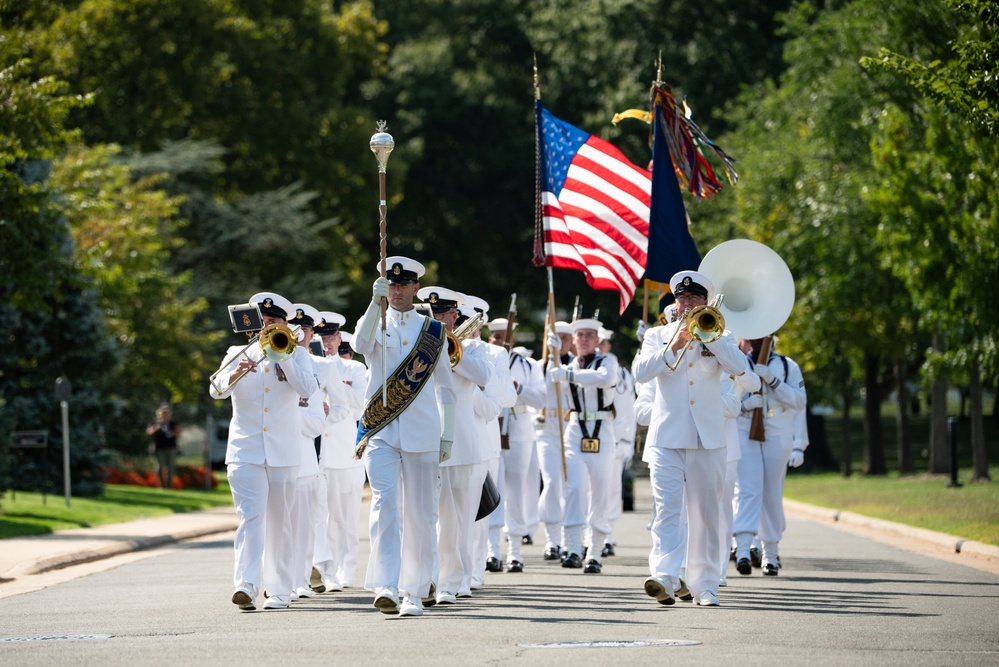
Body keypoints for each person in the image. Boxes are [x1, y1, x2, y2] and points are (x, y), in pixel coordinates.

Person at [632, 271, 759, 607]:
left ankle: (706, 585)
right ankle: (665, 577)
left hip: (708, 439)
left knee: (706, 514)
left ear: (706, 303)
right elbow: (639, 373)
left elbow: (747, 378)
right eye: (682, 299)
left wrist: (712, 339)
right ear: (675, 303)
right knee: (666, 511)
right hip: (666, 436)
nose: (687, 305)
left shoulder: (722, 335)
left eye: (693, 299)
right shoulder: (657, 336)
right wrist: (673, 345)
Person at [351, 256, 455, 618]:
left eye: (402, 285)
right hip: (380, 429)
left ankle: (414, 589)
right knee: (385, 505)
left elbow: (447, 390)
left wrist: (449, 434)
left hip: (423, 431)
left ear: (415, 288)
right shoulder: (374, 322)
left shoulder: (433, 331)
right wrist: (371, 302)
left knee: (421, 514)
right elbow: (360, 346)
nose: (396, 290)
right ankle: (386, 585)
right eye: (390, 285)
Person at [209, 291, 319, 611]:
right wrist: (235, 372)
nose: (268, 327)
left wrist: (287, 361)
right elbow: (216, 389)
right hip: (245, 450)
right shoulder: (236, 351)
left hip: (283, 450)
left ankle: (280, 588)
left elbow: (309, 390)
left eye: (274, 322)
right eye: (264, 321)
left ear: (285, 324)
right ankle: (245, 584)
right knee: (250, 517)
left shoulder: (297, 354)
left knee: (280, 521)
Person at [417, 286, 492, 605]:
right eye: (433, 315)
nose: (439, 320)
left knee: (456, 518)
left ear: (454, 316)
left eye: (444, 315)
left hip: (460, 443)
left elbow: (483, 376)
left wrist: (451, 351)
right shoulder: (419, 343)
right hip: (422, 440)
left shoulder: (473, 349)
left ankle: (452, 580)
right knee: (423, 516)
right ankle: (428, 578)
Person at [546, 318, 618, 574]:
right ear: (573, 340)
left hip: (602, 429)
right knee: (574, 488)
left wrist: (567, 373)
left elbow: (604, 378)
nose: (585, 339)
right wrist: (551, 356)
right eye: (580, 335)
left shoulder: (607, 361)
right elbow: (548, 391)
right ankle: (573, 549)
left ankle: (595, 553)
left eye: (590, 335)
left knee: (600, 491)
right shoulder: (566, 364)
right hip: (575, 428)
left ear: (598, 340)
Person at [732, 336, 807, 576]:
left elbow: (799, 401)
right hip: (744, 429)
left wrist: (773, 382)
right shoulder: (736, 363)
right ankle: (743, 549)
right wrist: (744, 405)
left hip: (777, 432)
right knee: (748, 489)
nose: (756, 343)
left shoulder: (787, 366)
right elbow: (725, 398)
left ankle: (771, 553)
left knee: (772, 492)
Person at [312, 315, 366, 594]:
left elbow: (363, 401)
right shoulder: (311, 366)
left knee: (346, 516)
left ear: (340, 338)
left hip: (347, 452)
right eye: (322, 338)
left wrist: (338, 393)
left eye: (331, 337)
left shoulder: (354, 368)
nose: (327, 342)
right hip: (319, 453)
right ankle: (327, 571)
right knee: (323, 515)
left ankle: (347, 569)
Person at [487, 316, 545, 572]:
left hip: (520, 426)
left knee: (517, 490)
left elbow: (540, 399)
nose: (502, 341)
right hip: (493, 425)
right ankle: (491, 549)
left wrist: (517, 387)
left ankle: (515, 549)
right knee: (492, 489)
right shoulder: (486, 358)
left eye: (505, 337)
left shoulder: (528, 365)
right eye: (496, 337)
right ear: (491, 338)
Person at [535, 320, 574, 561]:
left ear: (571, 342)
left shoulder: (577, 365)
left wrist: (559, 363)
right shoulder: (540, 366)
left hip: (570, 427)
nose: (559, 341)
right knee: (551, 482)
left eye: (564, 337)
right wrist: (550, 360)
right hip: (547, 429)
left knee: (572, 484)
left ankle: (572, 538)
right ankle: (552, 539)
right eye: (555, 337)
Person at [597, 327, 636, 557]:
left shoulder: (622, 374)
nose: (600, 346)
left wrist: (628, 441)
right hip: (591, 436)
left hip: (615, 439)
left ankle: (608, 534)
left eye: (604, 343)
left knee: (612, 489)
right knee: (591, 488)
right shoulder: (583, 367)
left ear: (609, 346)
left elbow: (628, 411)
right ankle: (589, 534)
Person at [146, 404, 180, 489]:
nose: (165, 415)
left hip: (171, 448)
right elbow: (148, 432)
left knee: (170, 468)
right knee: (160, 467)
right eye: (163, 413)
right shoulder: (155, 423)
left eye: (167, 413)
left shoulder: (173, 423)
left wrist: (172, 433)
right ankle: (161, 485)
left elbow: (178, 433)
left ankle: (169, 486)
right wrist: (156, 429)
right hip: (159, 448)